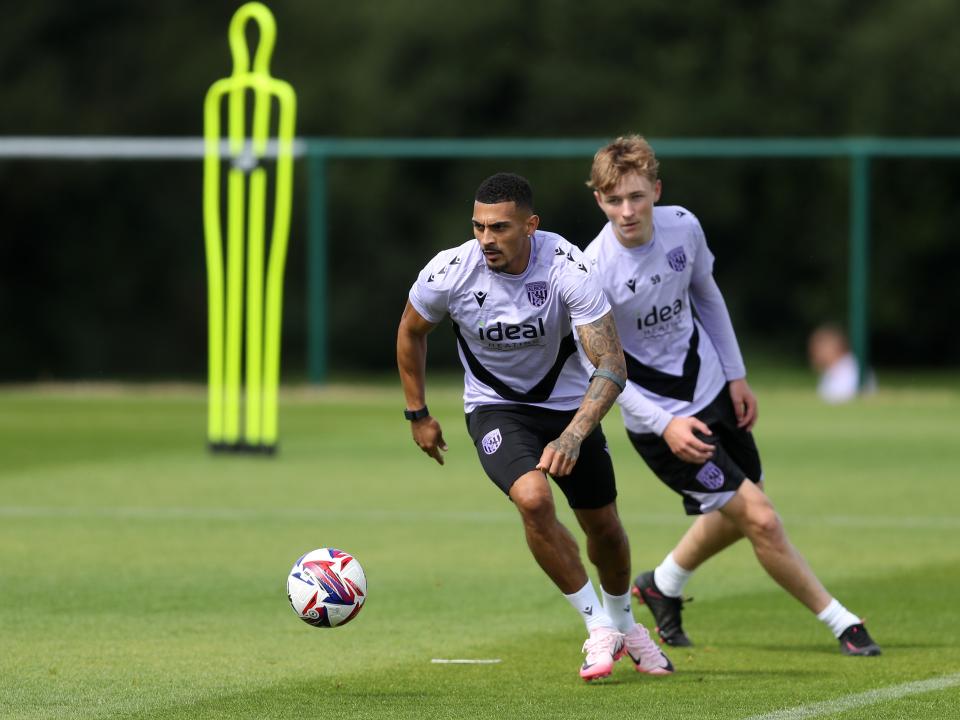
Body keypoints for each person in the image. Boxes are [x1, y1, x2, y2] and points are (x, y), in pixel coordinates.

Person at [580, 136, 881, 657]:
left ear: (656, 189)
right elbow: (602, 370)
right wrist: (664, 425)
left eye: (636, 196)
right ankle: (842, 622)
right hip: (661, 419)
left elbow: (706, 295)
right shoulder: (594, 270)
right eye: (613, 200)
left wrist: (736, 375)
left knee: (743, 506)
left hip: (713, 387)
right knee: (759, 516)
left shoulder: (684, 227)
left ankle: (662, 585)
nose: (626, 211)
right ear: (599, 201)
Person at [396, 172, 674, 681]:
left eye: (499, 228)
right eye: (478, 227)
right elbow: (411, 330)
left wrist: (573, 434)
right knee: (532, 499)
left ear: (531, 225)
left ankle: (625, 624)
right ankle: (598, 629)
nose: (485, 240)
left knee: (605, 529)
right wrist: (418, 412)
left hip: (570, 407)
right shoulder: (451, 270)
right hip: (495, 407)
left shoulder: (569, 268)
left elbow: (612, 366)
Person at [808, 324, 865, 403]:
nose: (814, 352)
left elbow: (844, 398)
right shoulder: (831, 371)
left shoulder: (851, 368)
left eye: (818, 347)